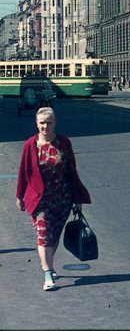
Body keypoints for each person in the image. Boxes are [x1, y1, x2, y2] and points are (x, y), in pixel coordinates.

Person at [15, 107, 91, 291]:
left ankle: (50, 264)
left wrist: (77, 198)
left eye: (48, 122)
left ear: (54, 123)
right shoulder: (29, 145)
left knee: (54, 236)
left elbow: (72, 172)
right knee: (43, 234)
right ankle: (47, 273)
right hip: (39, 199)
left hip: (62, 198)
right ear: (36, 124)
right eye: (41, 122)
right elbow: (23, 173)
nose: (45, 126)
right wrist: (20, 196)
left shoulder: (64, 143)